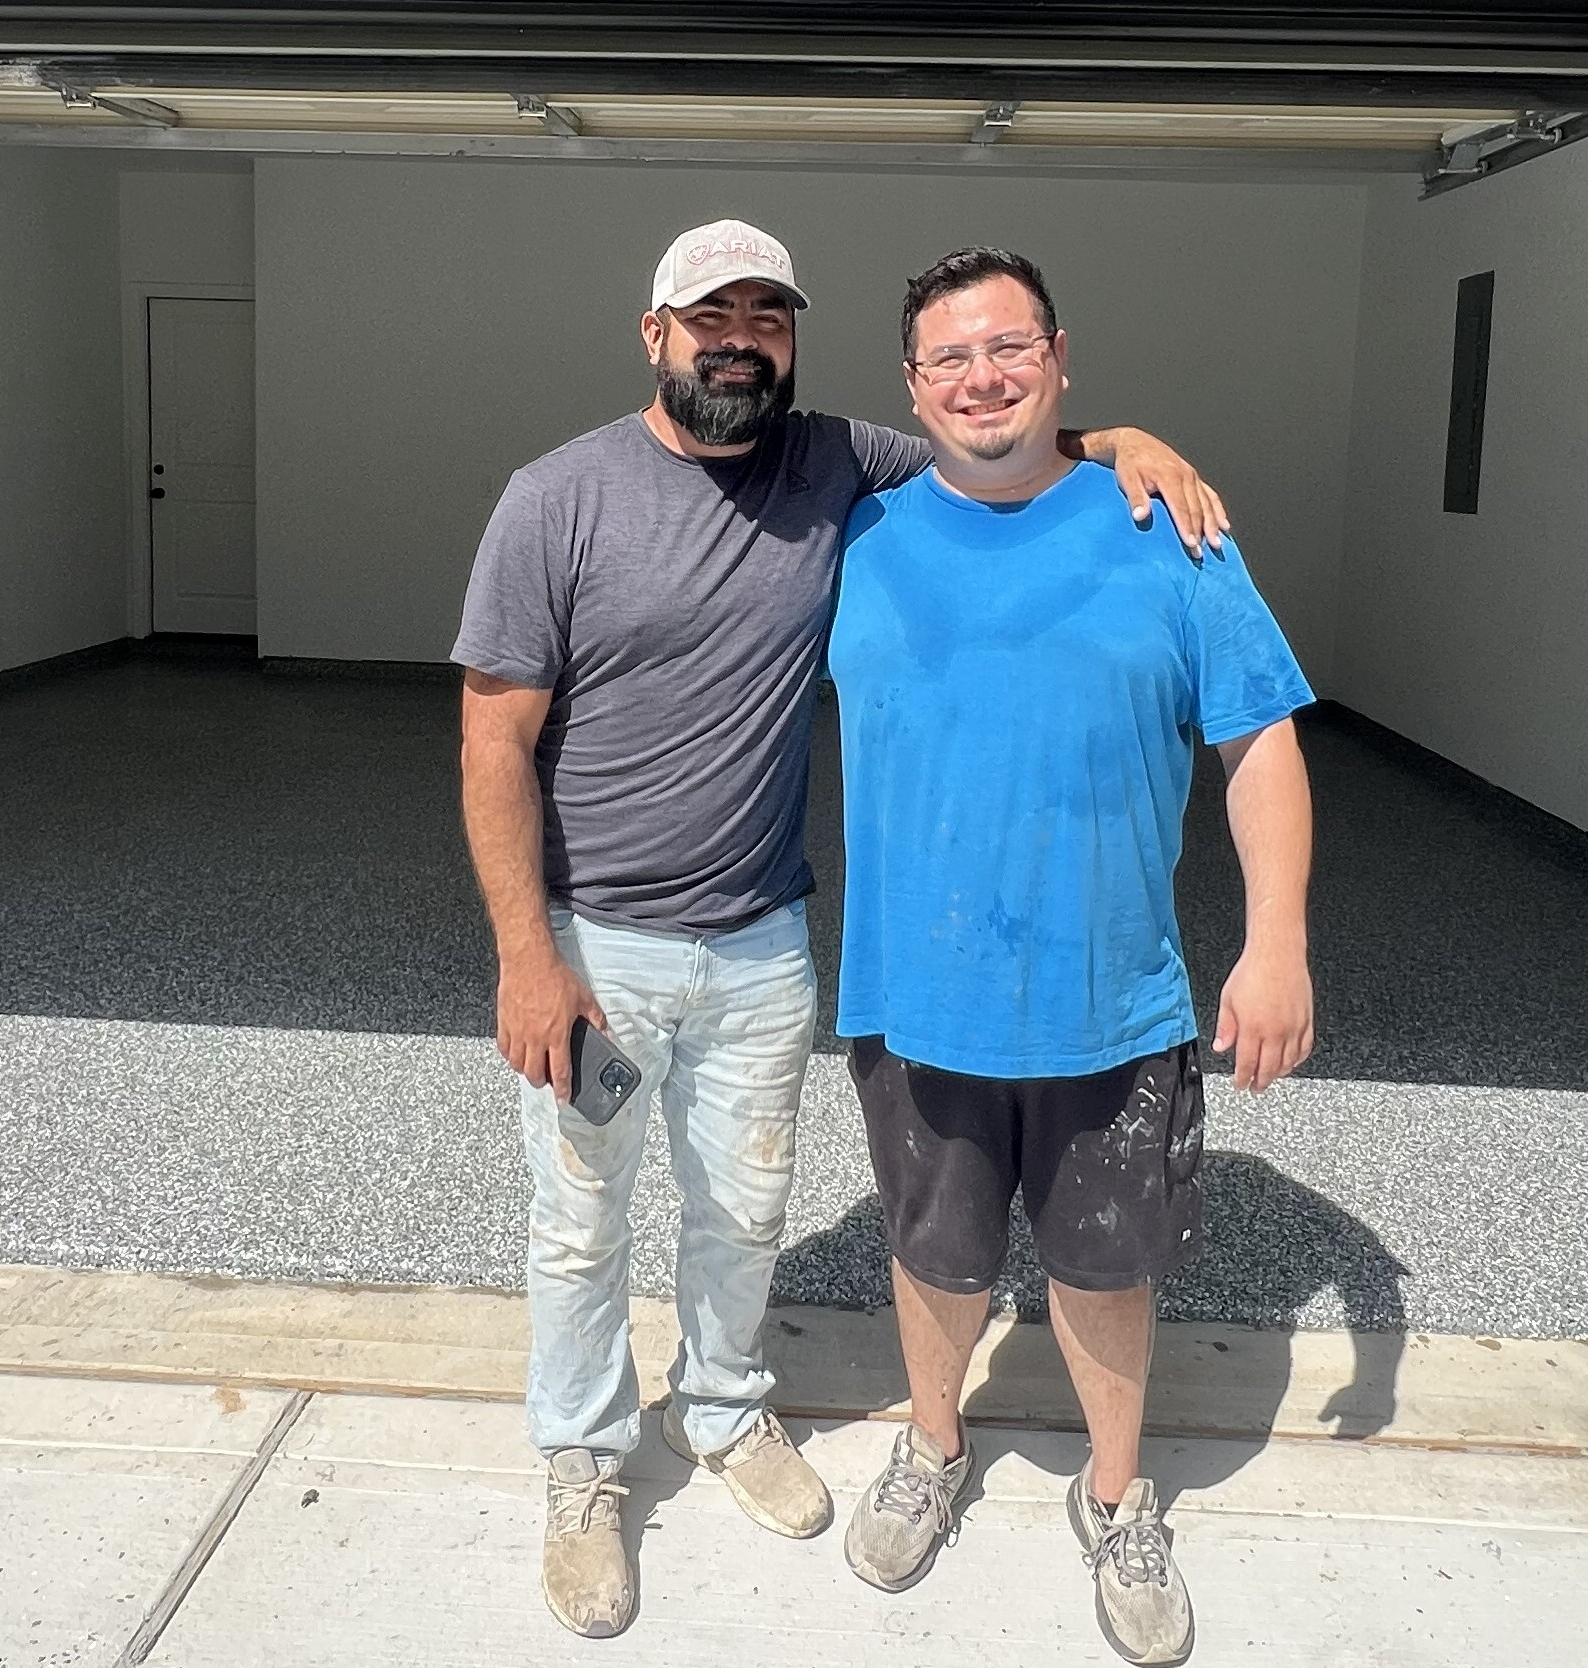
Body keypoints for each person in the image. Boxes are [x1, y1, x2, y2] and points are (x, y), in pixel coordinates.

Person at [452, 219, 1230, 1640]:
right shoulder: (554, 499)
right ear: (655, 334)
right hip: (599, 949)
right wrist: (525, 957)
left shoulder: (834, 466)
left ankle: (723, 1409)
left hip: (761, 943)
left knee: (740, 1210)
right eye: (710, 317)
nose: (738, 340)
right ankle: (582, 1462)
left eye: (767, 315)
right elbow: (492, 741)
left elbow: (994, 433)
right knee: (578, 1225)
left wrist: (1127, 440)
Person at [825, 247, 1315, 1666]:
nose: (981, 377)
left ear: (1058, 358)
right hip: (915, 994)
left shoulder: (1168, 530)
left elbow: (1258, 741)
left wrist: (1276, 940)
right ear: (911, 384)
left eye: (1009, 347)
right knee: (934, 1252)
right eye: (949, 357)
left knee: (1105, 1266)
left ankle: (1114, 1496)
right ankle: (933, 1447)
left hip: (1110, 998)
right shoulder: (856, 537)